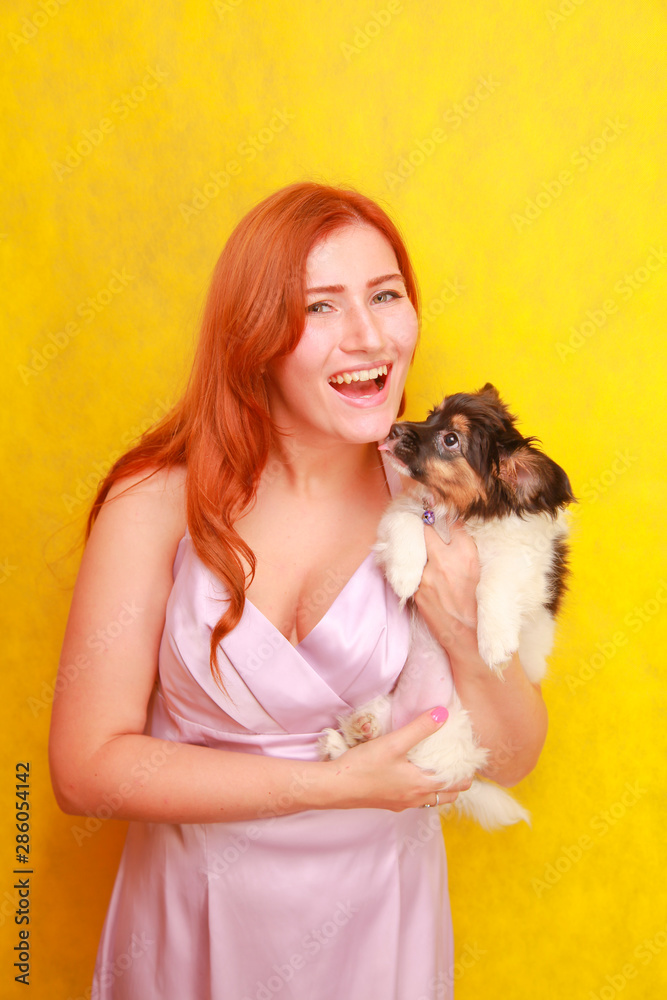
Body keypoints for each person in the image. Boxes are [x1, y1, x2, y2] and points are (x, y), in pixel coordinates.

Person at [49, 182, 547, 1000]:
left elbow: (514, 756)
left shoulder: (441, 496)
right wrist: (330, 787)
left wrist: (458, 628)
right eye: (319, 308)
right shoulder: (153, 504)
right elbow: (82, 770)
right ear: (255, 338)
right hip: (191, 932)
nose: (368, 336)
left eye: (385, 295)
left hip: (376, 938)